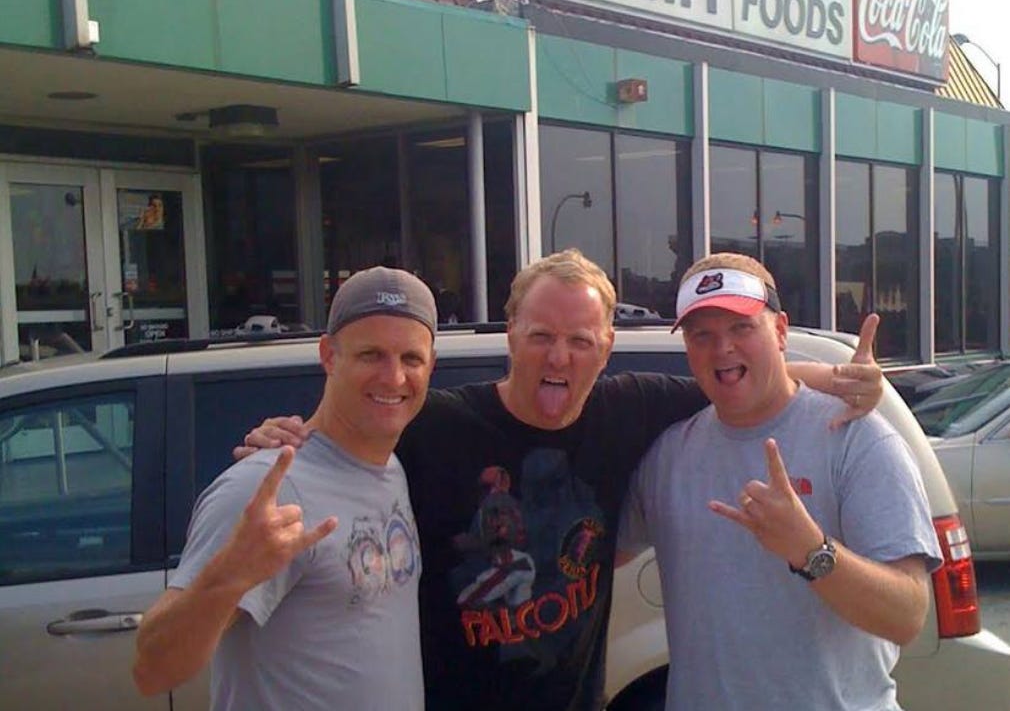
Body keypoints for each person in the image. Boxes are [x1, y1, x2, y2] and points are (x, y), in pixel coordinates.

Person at [240, 249, 883, 711]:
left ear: (606, 348)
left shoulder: (631, 408)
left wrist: (846, 380)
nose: (559, 356)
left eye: (580, 340)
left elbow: (738, 379)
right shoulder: (431, 424)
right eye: (541, 335)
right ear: (510, 336)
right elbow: (353, 421)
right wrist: (290, 436)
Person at [619, 253, 943, 709]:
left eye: (742, 327)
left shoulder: (856, 439)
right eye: (702, 334)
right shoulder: (667, 455)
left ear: (781, 331)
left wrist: (811, 551)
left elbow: (907, 616)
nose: (722, 348)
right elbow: (600, 557)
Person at [133, 267, 438, 711]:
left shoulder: (391, 469)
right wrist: (231, 573)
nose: (393, 378)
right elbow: (152, 670)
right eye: (371, 355)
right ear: (328, 355)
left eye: (411, 358)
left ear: (432, 365)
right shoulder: (266, 487)